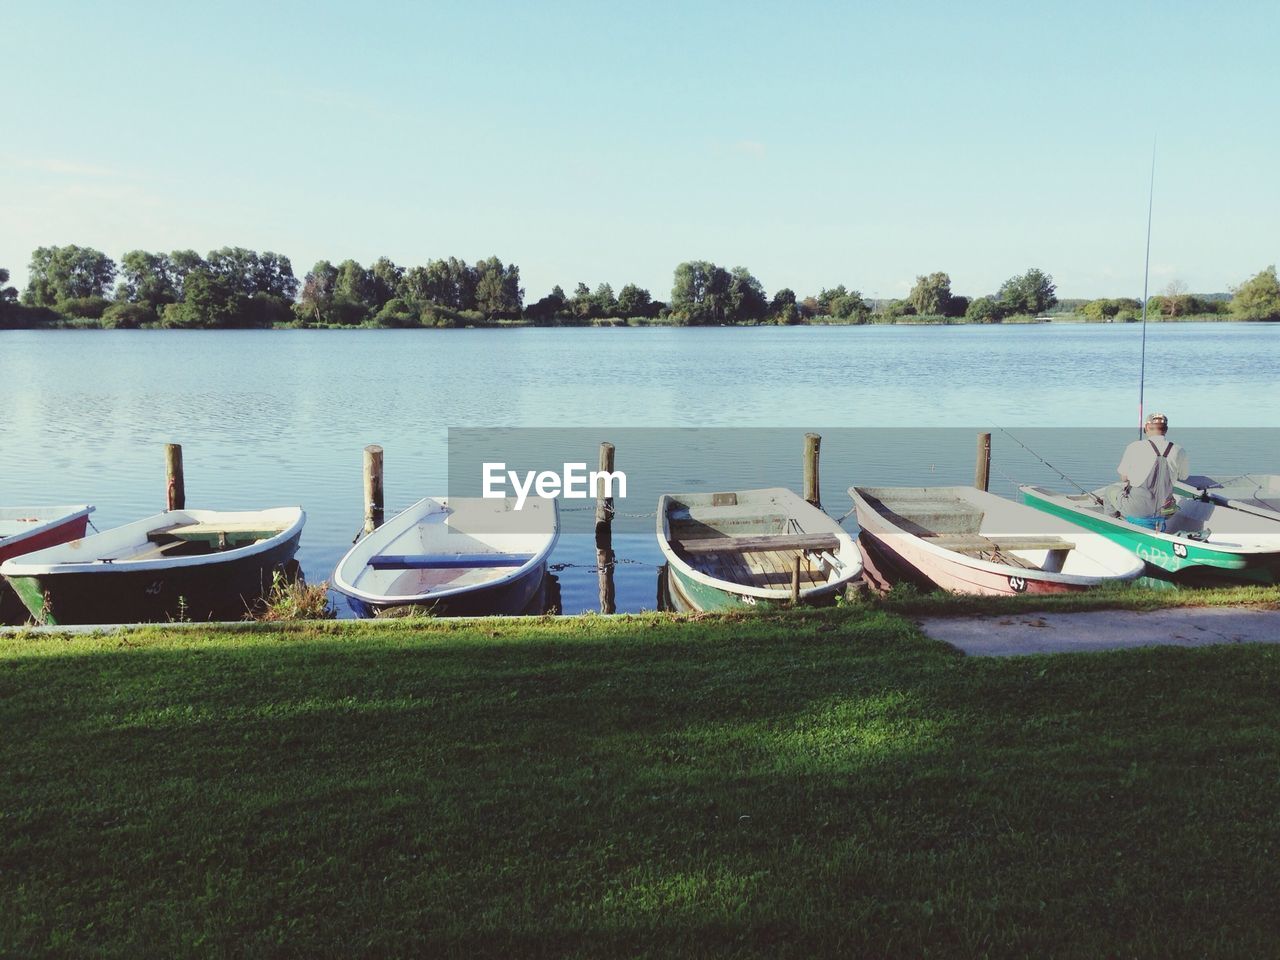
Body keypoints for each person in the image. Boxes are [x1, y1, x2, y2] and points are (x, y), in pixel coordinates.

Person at [1105, 413, 1189, 529]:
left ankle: (1112, 526)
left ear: (1147, 428)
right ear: (1166, 429)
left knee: (1110, 490)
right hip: (1165, 511)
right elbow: (1184, 476)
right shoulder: (1179, 450)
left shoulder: (1134, 447)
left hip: (1137, 510)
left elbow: (1123, 478)